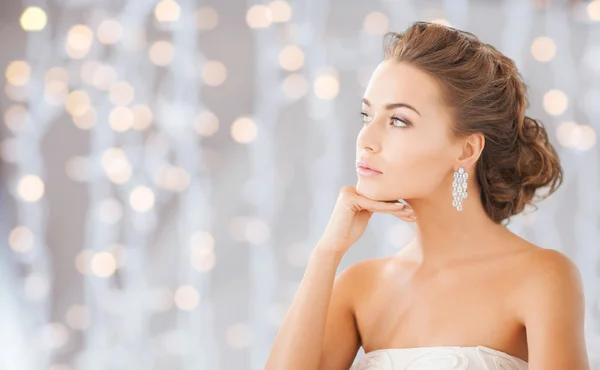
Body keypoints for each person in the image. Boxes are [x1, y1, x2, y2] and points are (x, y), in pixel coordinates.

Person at [265, 21, 589, 370]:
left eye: (398, 121)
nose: (366, 140)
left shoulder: (542, 277)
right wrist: (326, 253)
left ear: (466, 149)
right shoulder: (359, 287)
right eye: (367, 115)